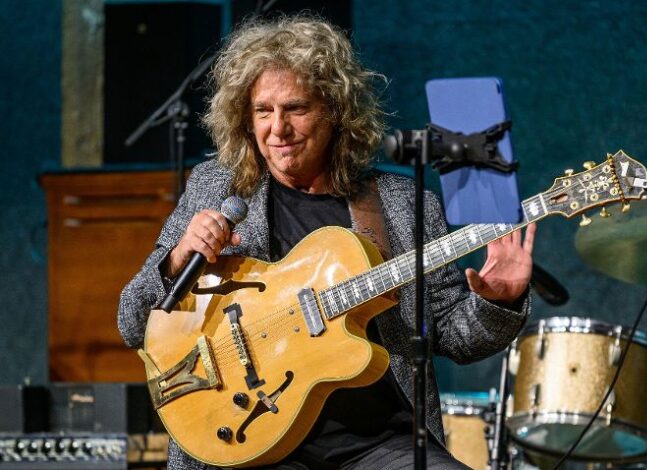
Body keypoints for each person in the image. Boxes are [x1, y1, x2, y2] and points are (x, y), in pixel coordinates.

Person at [118, 15, 536, 470]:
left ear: (336, 111)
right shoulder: (217, 187)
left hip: (380, 444)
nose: (278, 129)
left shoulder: (401, 204)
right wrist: (177, 259)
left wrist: (499, 301)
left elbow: (455, 336)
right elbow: (132, 322)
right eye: (263, 111)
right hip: (252, 441)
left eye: (295, 108)